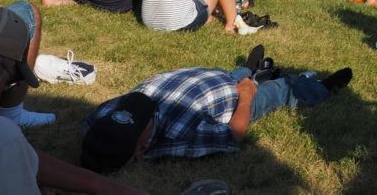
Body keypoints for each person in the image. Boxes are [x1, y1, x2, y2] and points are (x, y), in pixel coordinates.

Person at [81, 47, 352, 169]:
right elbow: (231, 137)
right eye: (141, 121)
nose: (140, 108)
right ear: (140, 151)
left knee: (234, 73)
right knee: (278, 92)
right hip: (229, 101)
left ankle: (249, 68)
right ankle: (322, 88)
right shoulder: (175, 140)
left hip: (204, 77)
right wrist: (245, 97)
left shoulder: (100, 120)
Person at [0, 4, 144, 194]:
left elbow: (18, 155)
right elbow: (1, 146)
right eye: (9, 83)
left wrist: (104, 186)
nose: (3, 94)